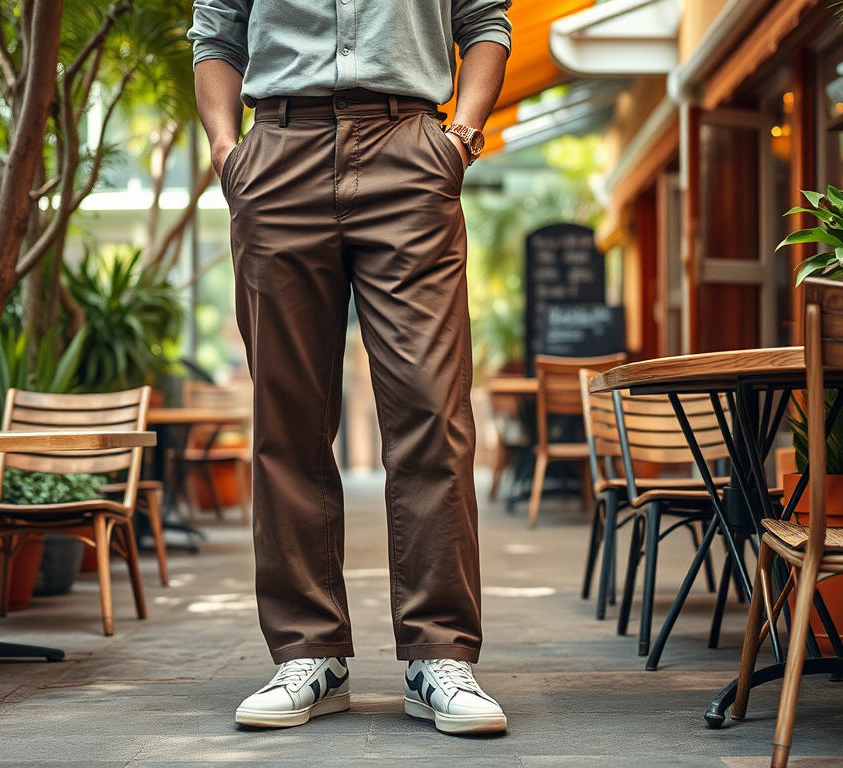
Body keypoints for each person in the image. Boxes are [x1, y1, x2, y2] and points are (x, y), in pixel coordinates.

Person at [189, 0, 511, 735]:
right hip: (277, 151)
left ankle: (439, 655)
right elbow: (216, 32)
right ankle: (310, 654)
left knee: (432, 410)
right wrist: (225, 149)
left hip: (410, 147)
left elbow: (485, 22)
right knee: (287, 421)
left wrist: (458, 136)